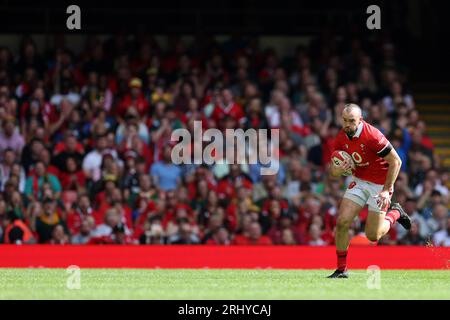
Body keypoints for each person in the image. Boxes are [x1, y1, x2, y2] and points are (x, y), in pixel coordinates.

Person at [327, 104, 411, 278]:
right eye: (344, 120)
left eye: (351, 121)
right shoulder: (342, 136)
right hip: (359, 181)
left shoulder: (372, 136)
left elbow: (396, 162)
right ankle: (341, 269)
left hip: (380, 185)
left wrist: (387, 191)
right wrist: (339, 168)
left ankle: (395, 213)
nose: (347, 125)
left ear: (360, 120)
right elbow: (333, 173)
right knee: (342, 222)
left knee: (373, 235)